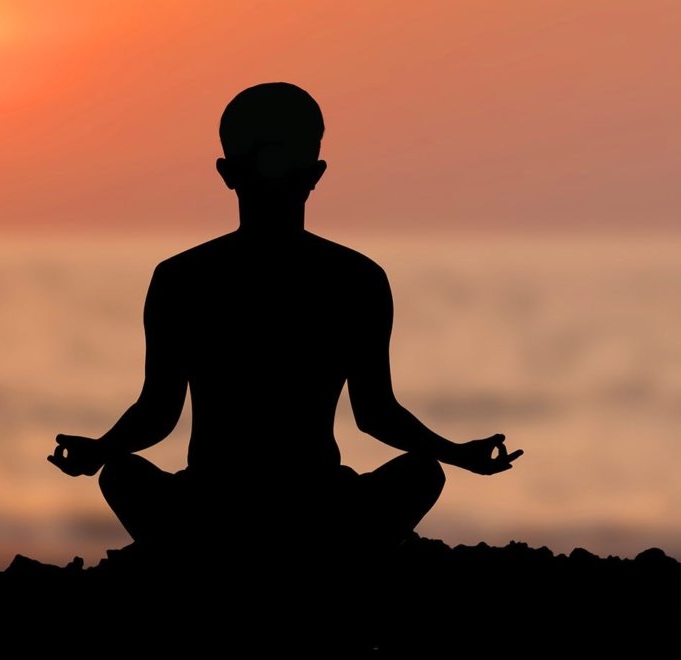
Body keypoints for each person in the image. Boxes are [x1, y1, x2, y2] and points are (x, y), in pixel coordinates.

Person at [48, 82, 522, 552]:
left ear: (227, 172)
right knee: (422, 471)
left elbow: (157, 414)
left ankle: (205, 563)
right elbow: (376, 415)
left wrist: (101, 451)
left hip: (212, 509)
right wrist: (457, 454)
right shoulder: (356, 278)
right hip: (318, 509)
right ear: (316, 173)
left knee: (123, 474)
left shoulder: (182, 278)